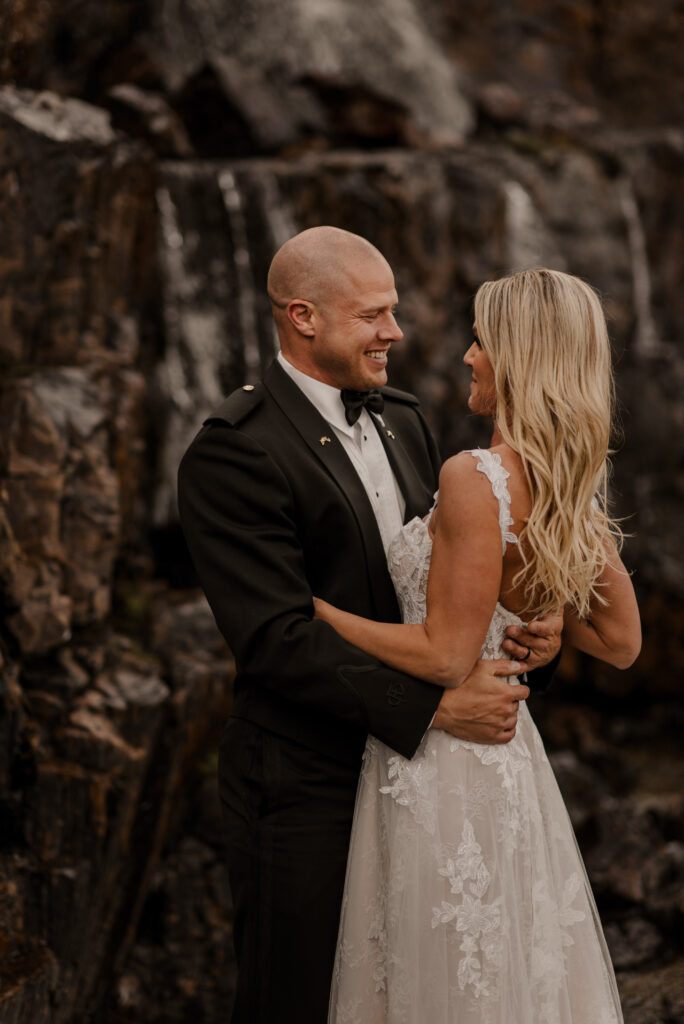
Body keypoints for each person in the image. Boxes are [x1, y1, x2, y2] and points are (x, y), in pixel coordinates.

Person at [177, 228, 562, 1024]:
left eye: (393, 311)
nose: (396, 332)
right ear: (303, 316)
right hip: (306, 783)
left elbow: (452, 572)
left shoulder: (407, 421)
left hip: (421, 785)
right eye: (373, 315)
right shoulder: (234, 453)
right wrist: (433, 709)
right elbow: (276, 640)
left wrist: (535, 619)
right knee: (300, 999)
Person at [316, 267, 641, 1023]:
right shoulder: (566, 483)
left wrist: (319, 614)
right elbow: (621, 642)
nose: (467, 356)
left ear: (521, 357)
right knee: (507, 973)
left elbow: (445, 657)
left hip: (444, 764)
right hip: (511, 765)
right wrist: (554, 622)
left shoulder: (477, 475)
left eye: (482, 340)